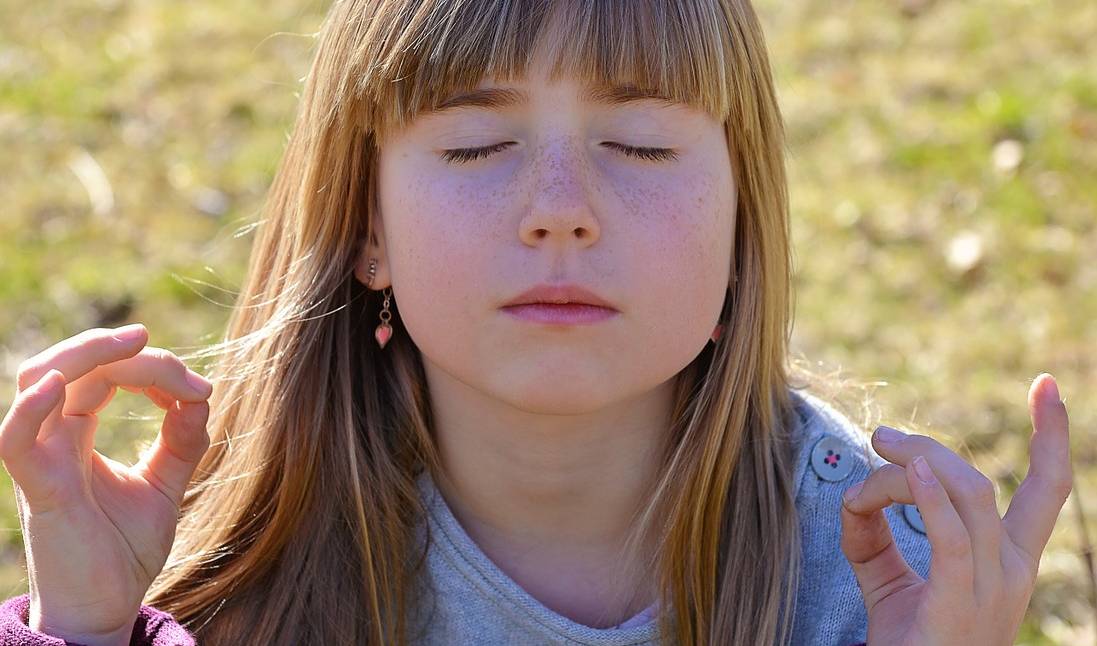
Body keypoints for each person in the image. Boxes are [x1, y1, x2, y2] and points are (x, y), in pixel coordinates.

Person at [0, 0, 1074, 644]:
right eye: (474, 146)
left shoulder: (879, 579)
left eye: (641, 145)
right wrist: (89, 625)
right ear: (365, 225)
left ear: (744, 223)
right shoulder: (243, 563)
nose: (559, 207)